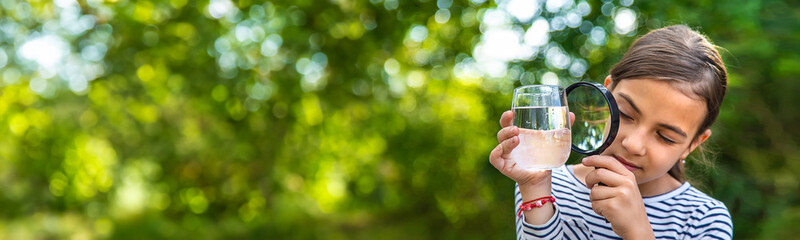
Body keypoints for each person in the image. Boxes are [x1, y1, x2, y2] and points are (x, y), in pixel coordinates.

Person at [489, 25, 733, 239]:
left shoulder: (704, 219)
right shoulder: (550, 183)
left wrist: (638, 232)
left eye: (665, 137)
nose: (633, 144)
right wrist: (536, 189)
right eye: (626, 114)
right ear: (605, 95)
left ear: (693, 144)